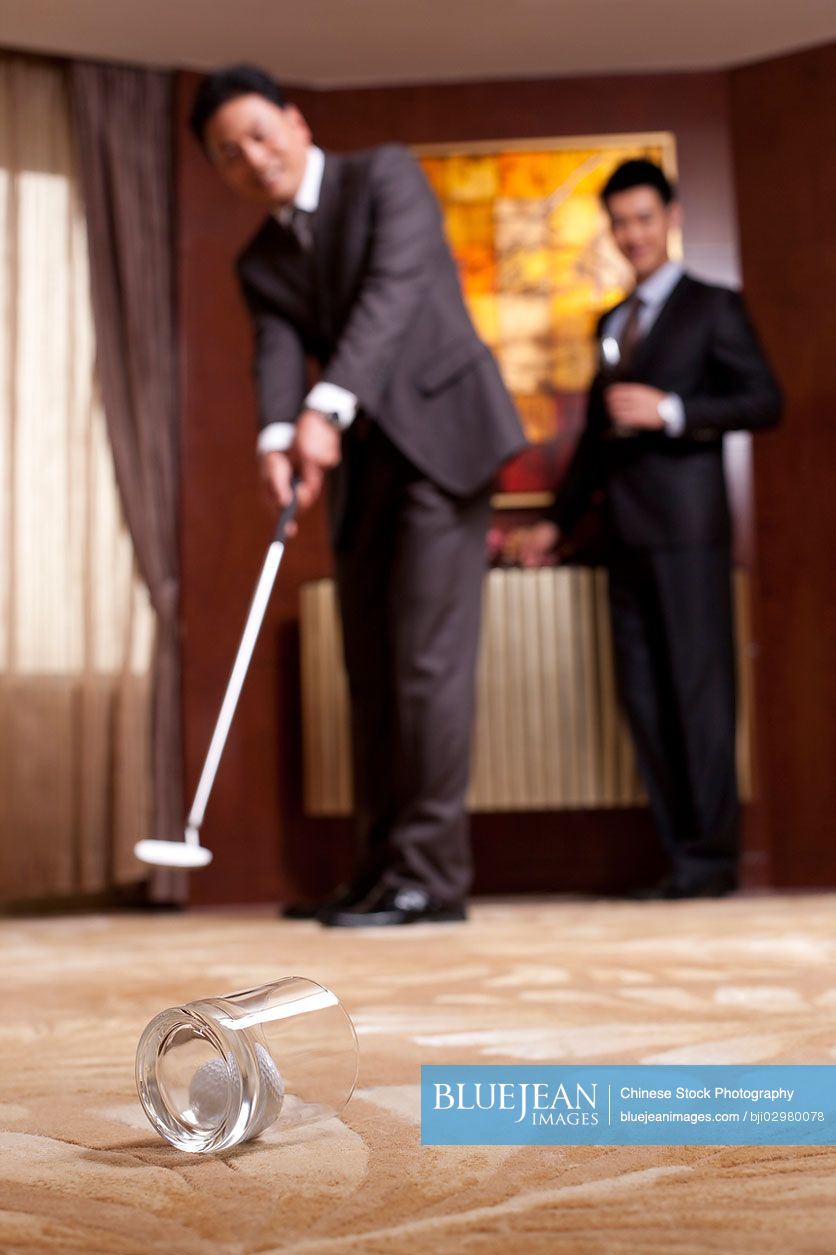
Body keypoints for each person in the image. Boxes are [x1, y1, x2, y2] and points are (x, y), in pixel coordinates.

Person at [189, 66, 525, 927]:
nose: (253, 159)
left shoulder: (387, 176)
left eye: (261, 134)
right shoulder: (259, 258)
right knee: (369, 672)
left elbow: (393, 296)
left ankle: (430, 878)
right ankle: (381, 869)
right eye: (230, 155)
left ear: (297, 123)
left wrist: (323, 405)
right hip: (362, 468)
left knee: (424, 666)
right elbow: (274, 351)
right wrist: (274, 438)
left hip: (442, 448)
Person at [517, 159, 781, 899]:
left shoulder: (713, 307)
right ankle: (680, 858)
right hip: (622, 538)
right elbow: (595, 447)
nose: (632, 233)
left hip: (691, 534)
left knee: (699, 694)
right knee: (644, 696)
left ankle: (712, 860)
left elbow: (765, 400)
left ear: (669, 217)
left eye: (642, 218)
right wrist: (555, 526)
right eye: (620, 222)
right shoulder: (610, 321)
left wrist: (673, 410)